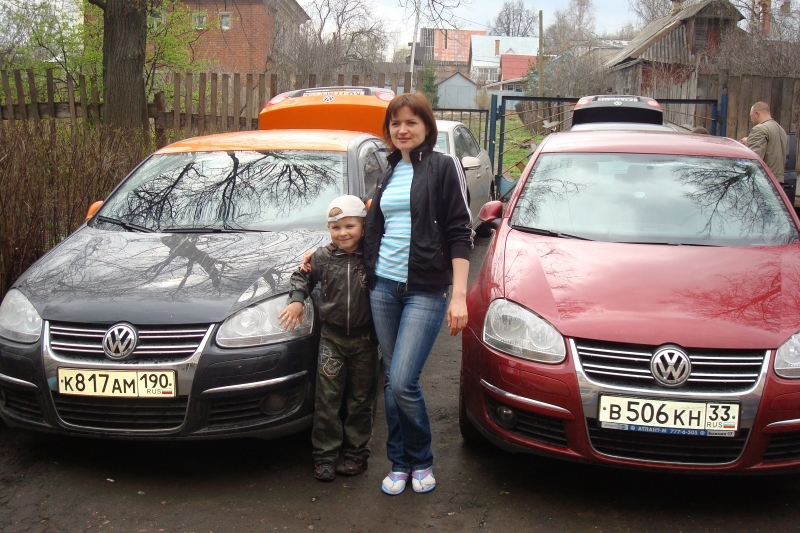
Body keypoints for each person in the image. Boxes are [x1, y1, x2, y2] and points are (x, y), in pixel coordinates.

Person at [363, 93, 473, 495]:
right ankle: (400, 463)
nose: (402, 130)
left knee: (403, 380)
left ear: (427, 126)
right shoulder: (387, 171)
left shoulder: (443, 167)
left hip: (426, 289)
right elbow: (370, 227)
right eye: (395, 123)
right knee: (392, 380)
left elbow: (460, 231)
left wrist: (459, 295)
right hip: (383, 288)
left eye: (411, 122)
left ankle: (421, 458)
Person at [279, 195, 378, 482]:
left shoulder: (373, 255)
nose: (343, 233)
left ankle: (356, 454)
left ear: (363, 226)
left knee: (361, 400)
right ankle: (324, 456)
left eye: (350, 226)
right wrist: (297, 299)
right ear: (328, 229)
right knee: (327, 400)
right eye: (336, 228)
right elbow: (301, 277)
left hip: (365, 341)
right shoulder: (322, 257)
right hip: (332, 340)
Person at [740, 101, 788, 182]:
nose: (751, 119)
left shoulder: (759, 129)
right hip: (777, 182)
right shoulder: (781, 130)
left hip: (764, 181)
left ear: (757, 114)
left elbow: (753, 160)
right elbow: (772, 148)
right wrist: (749, 140)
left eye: (751, 116)